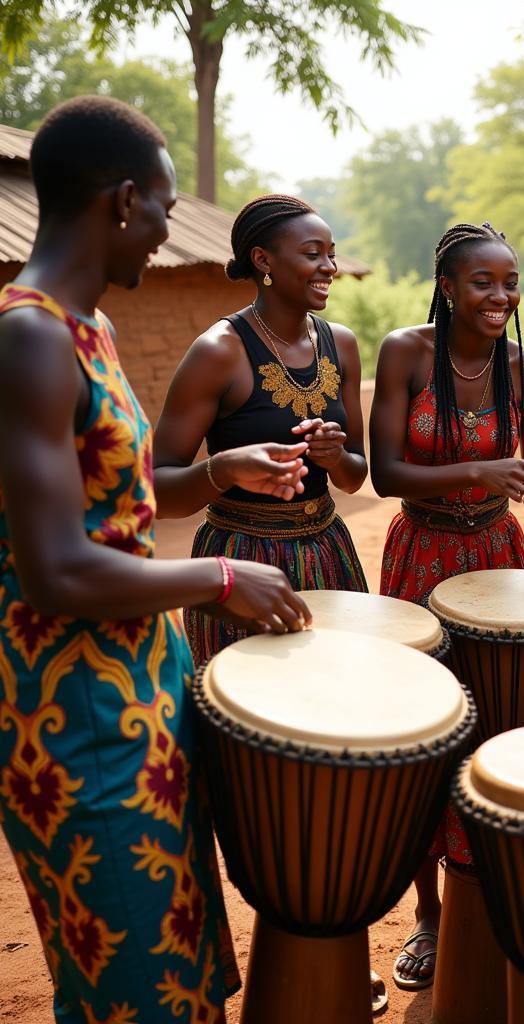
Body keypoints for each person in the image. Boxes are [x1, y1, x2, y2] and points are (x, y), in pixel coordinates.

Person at [0, 96, 310, 1024]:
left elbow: (124, 504)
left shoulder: (85, 327)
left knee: (173, 965)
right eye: (167, 210)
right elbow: (58, 568)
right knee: (131, 987)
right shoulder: (31, 337)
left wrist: (220, 469)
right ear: (124, 202)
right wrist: (222, 577)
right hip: (77, 715)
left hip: (137, 690)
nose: (170, 233)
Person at [369, 222, 524, 990]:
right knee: (423, 733)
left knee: (498, 725)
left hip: (497, 555)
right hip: (419, 556)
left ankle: (495, 896)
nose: (500, 296)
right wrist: (478, 467)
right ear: (448, 286)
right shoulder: (406, 352)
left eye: (509, 282)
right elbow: (386, 472)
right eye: (482, 282)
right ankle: (429, 913)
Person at [153, 195, 368, 667]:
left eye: (331, 253)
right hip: (243, 560)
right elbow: (156, 491)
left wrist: (334, 457)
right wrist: (224, 469)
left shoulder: (342, 344)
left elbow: (355, 476)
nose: (329, 266)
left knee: (340, 707)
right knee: (254, 721)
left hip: (329, 550)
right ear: (263, 260)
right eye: (313, 254)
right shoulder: (220, 352)